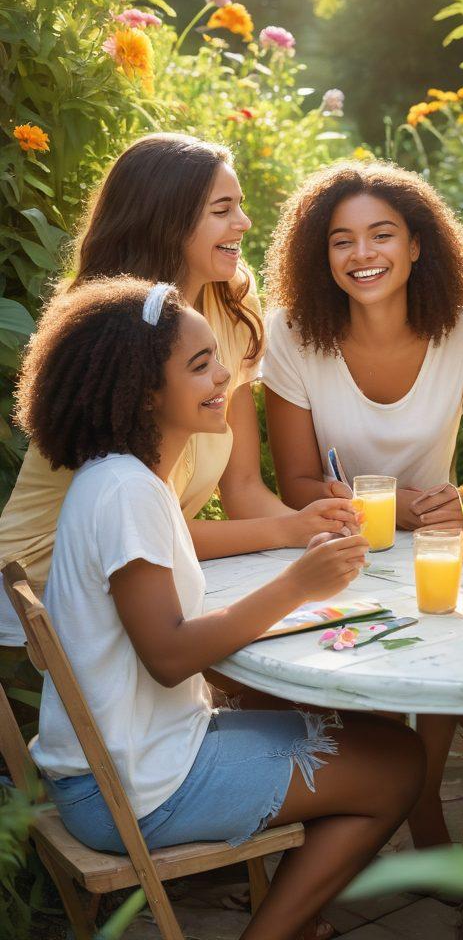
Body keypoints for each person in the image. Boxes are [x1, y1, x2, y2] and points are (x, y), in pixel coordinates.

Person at [15, 276, 424, 940]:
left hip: (115, 764)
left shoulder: (122, 478)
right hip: (131, 792)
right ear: (144, 390)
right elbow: (171, 656)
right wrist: (298, 585)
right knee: (398, 764)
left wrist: (293, 556)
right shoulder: (126, 492)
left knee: (342, 724)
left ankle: (297, 914)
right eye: (200, 365)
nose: (224, 376)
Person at [261, 160, 463, 847]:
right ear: (318, 256)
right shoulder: (292, 333)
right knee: (410, 685)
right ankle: (428, 815)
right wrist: (386, 508)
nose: (362, 255)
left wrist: (459, 513)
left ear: (417, 244)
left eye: (381, 235)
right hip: (345, 545)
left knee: (458, 666)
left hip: (440, 546)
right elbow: (296, 481)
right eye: (341, 240)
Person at [0, 133, 358, 652]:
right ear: (167, 220)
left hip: (159, 571)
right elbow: (139, 528)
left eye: (240, 206)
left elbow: (241, 488)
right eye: (222, 210)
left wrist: (318, 532)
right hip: (52, 583)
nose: (243, 223)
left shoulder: (232, 305)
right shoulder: (112, 337)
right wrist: (291, 535)